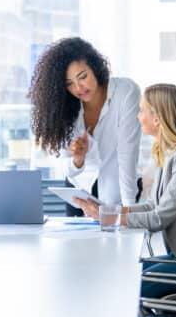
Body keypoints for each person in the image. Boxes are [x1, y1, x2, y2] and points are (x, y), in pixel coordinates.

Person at [75, 83, 176, 298]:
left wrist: (108, 218)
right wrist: (108, 210)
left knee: (124, 289)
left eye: (142, 110)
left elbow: (159, 218)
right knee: (121, 275)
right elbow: (153, 206)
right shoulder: (172, 154)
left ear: (157, 118)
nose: (138, 116)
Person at [28, 37, 142, 215]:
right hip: (79, 195)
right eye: (69, 84)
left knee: (121, 241)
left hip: (120, 193)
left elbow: (127, 154)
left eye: (83, 77)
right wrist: (78, 160)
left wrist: (129, 212)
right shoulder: (65, 108)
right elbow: (65, 167)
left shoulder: (125, 92)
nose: (78, 87)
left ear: (95, 68)